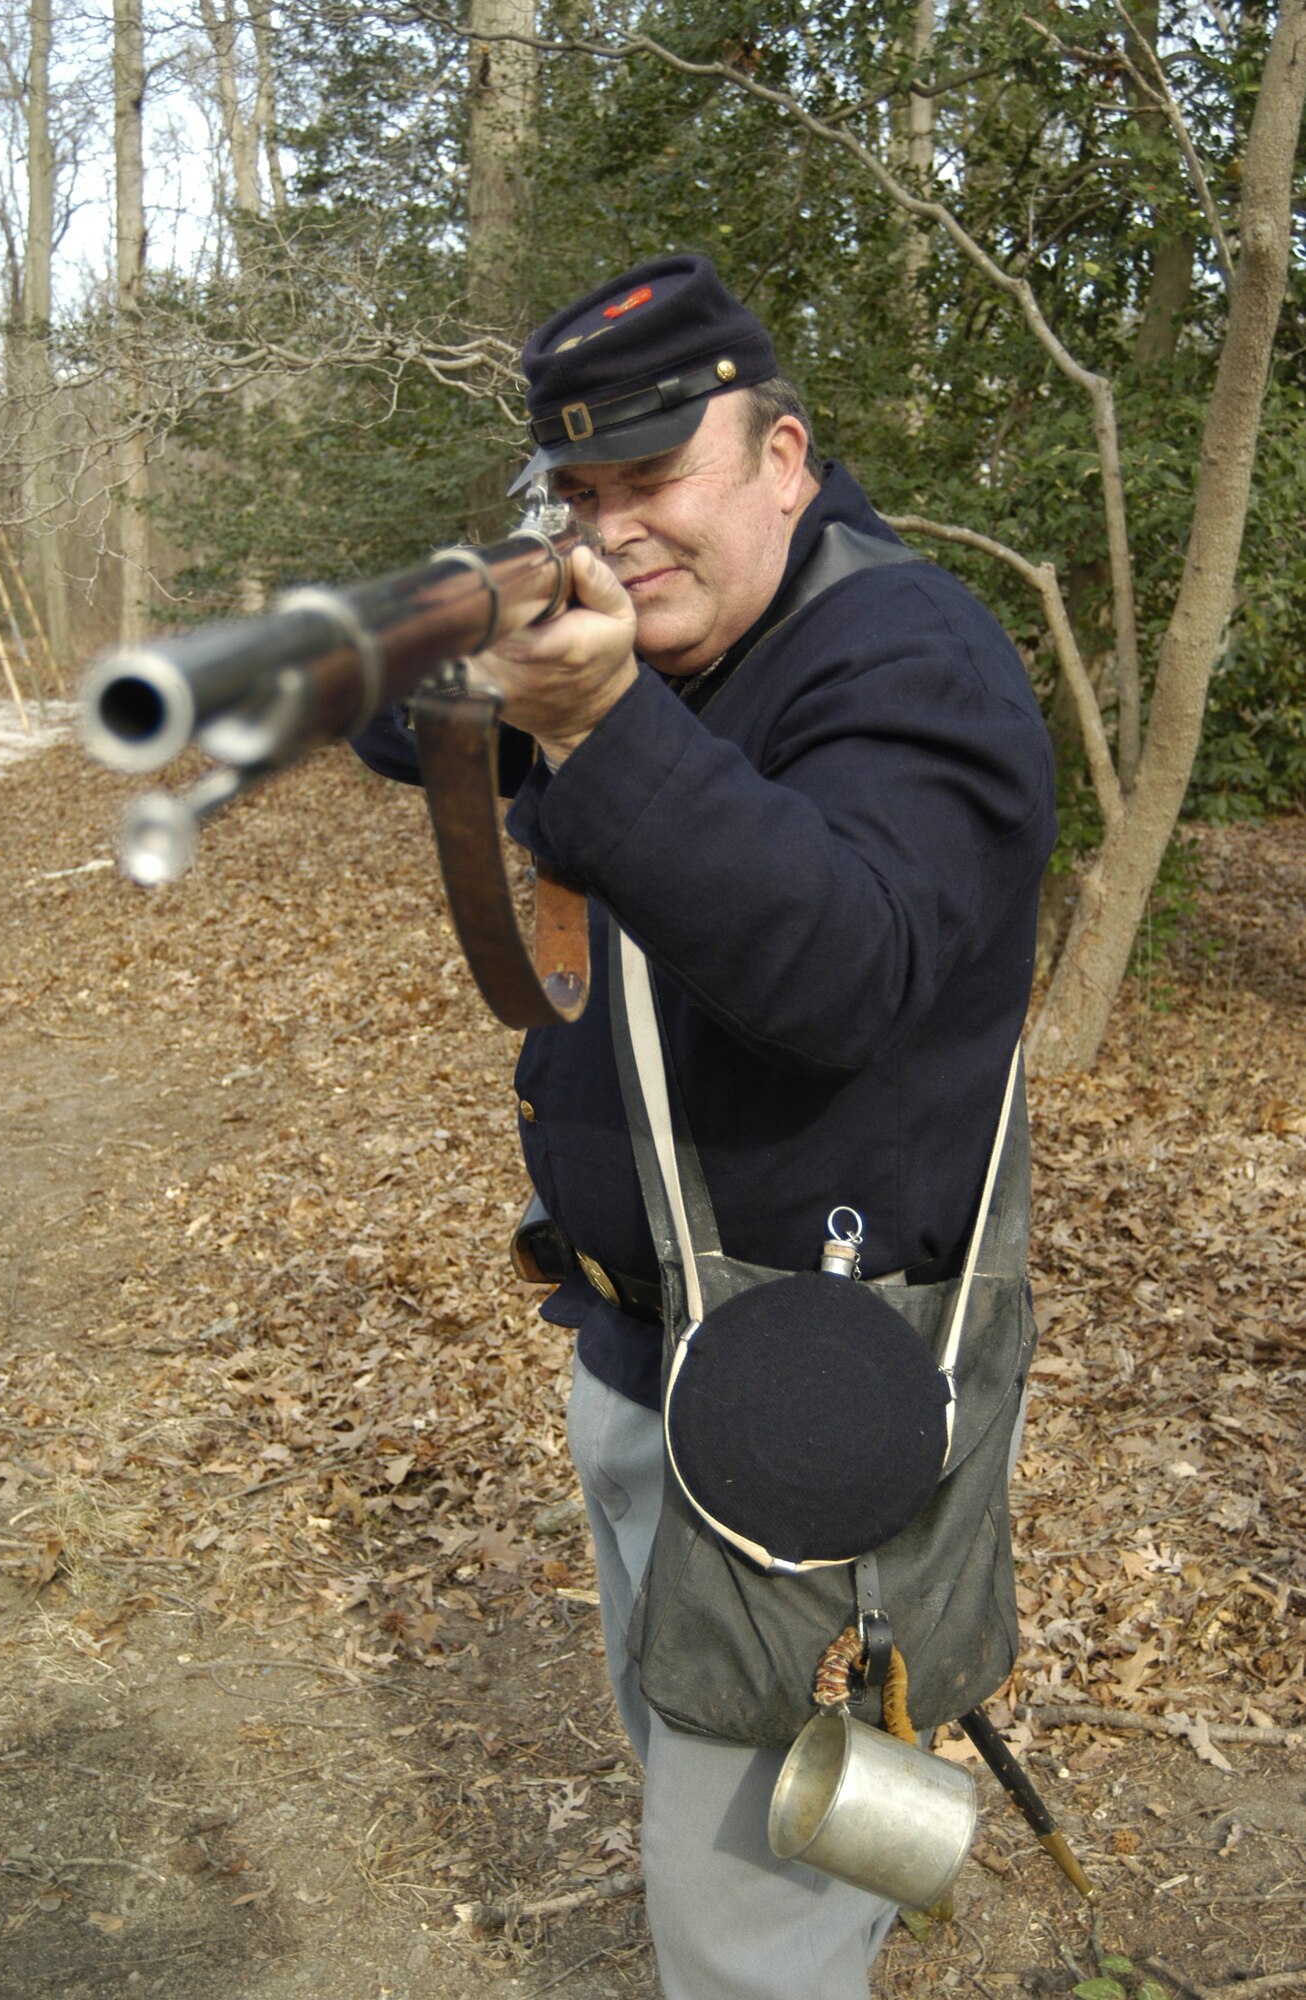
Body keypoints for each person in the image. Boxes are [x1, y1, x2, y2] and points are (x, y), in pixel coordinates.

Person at [353, 254, 1056, 2000]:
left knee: (745, 1913)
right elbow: (392, 728)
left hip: (806, 1386)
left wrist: (593, 718)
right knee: (707, 1780)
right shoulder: (670, 641)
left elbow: (848, 971)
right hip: (645, 1341)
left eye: (655, 478)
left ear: (786, 457)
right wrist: (454, 621)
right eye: (577, 494)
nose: (616, 531)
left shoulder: (907, 658)